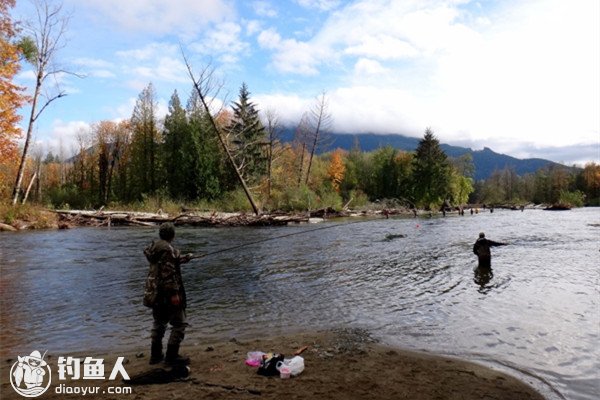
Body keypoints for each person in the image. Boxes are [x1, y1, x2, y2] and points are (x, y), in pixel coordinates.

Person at [143, 222, 191, 366]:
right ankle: (172, 356)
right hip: (166, 295)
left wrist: (182, 259)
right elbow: (168, 273)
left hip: (154, 293)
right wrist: (174, 294)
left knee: (159, 323)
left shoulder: (156, 248)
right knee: (180, 323)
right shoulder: (168, 250)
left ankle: (155, 356)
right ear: (172, 235)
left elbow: (164, 264)